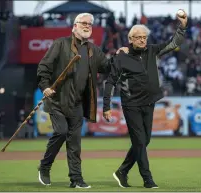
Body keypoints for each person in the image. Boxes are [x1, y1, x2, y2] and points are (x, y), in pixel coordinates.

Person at [36, 12, 125, 189]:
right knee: (61, 132)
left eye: (90, 24)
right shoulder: (60, 44)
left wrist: (118, 56)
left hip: (77, 104)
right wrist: (45, 86)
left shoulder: (93, 50)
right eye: (83, 23)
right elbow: (44, 67)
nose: (87, 26)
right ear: (74, 26)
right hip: (57, 100)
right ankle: (44, 167)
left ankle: (76, 179)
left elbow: (107, 67)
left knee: (75, 143)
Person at [103, 10, 188, 188]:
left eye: (144, 37)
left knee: (144, 141)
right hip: (131, 104)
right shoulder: (121, 57)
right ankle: (147, 179)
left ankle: (122, 171)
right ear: (131, 39)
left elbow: (174, 43)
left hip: (149, 102)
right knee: (140, 142)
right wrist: (106, 107)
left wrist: (182, 26)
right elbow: (110, 82)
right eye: (139, 37)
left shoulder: (152, 50)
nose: (142, 40)